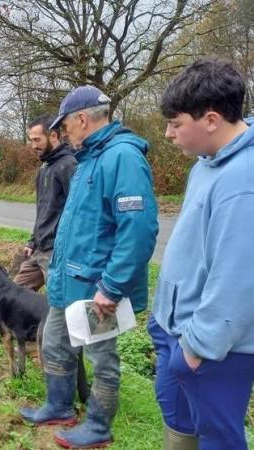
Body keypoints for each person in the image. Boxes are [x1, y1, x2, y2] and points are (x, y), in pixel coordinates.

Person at [19, 86, 158, 448]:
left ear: (82, 119)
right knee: (54, 341)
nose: (63, 135)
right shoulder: (87, 160)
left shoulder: (123, 158)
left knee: (101, 354)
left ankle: (98, 425)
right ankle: (59, 405)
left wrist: (112, 287)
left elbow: (138, 230)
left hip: (98, 287)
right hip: (69, 281)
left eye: (64, 127)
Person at [151, 58, 254, 450]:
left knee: (218, 437)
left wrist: (197, 348)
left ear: (211, 120)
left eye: (176, 124)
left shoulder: (244, 181)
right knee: (178, 417)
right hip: (177, 327)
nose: (168, 134)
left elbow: (239, 278)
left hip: (216, 346)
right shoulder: (206, 164)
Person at [13, 113, 76, 290]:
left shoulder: (69, 165)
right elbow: (42, 212)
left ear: (53, 136)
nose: (33, 146)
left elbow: (76, 211)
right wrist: (32, 242)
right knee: (14, 296)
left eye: (37, 140)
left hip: (57, 252)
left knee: (58, 303)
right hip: (39, 248)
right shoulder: (44, 168)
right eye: (31, 140)